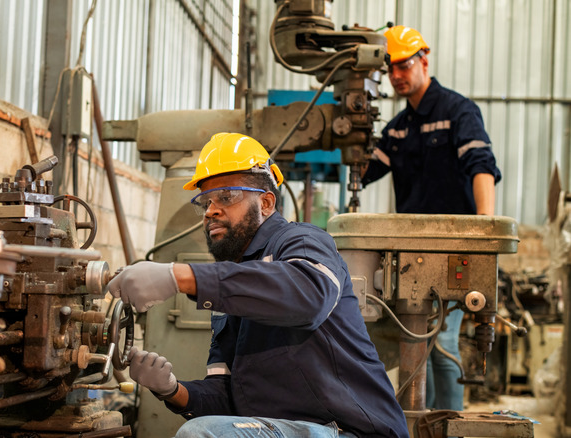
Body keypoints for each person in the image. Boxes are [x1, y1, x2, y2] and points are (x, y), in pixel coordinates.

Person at [109, 133, 409, 438]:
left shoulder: (302, 241)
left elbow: (309, 297)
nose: (211, 210)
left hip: (351, 431)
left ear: (266, 203)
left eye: (226, 197)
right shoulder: (234, 285)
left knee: (200, 434)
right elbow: (227, 398)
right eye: (206, 201)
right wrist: (172, 390)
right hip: (290, 429)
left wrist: (179, 276)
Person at [361, 25, 502, 411]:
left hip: (454, 250)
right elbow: (362, 171)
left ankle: (445, 426)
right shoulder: (398, 130)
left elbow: (481, 166)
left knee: (440, 345)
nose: (396, 76)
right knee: (414, 342)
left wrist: (483, 234)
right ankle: (420, 423)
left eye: (404, 66)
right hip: (409, 256)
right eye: (390, 69)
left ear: (424, 59)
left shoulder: (458, 112)